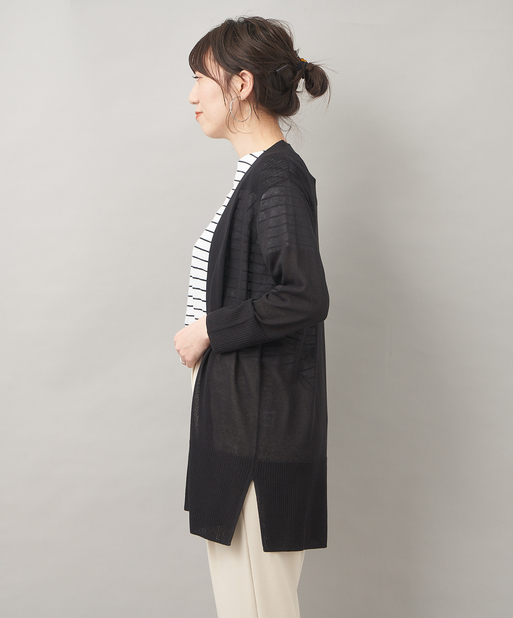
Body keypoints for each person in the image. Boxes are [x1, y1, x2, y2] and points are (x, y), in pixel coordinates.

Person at [174, 16, 330, 618]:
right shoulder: (256, 178)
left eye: (200, 78)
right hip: (239, 422)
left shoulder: (276, 181)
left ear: (240, 85)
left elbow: (304, 295)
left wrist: (208, 330)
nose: (192, 95)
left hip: (257, 437)